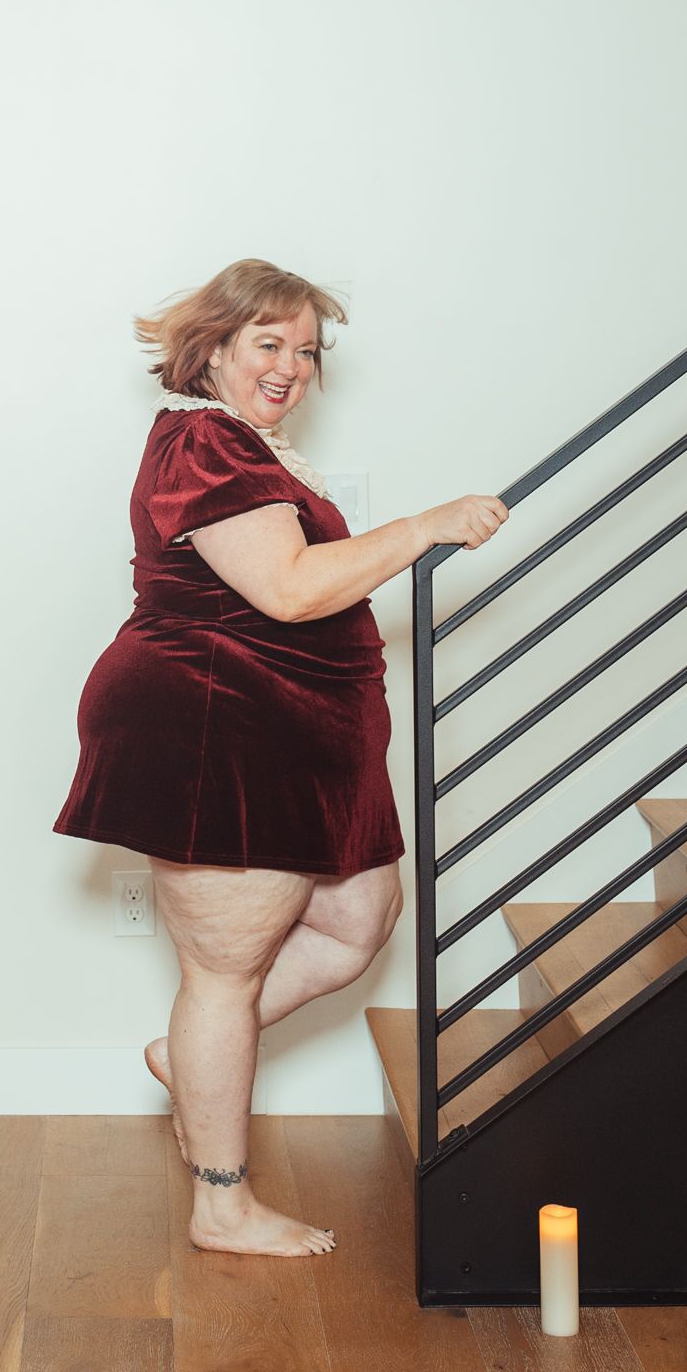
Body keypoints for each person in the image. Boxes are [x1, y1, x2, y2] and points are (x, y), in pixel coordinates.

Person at [52, 260, 509, 1257]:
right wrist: (426, 525)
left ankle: (191, 1057)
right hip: (220, 731)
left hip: (293, 732)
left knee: (358, 921)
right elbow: (291, 589)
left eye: (307, 350)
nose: (292, 365)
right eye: (270, 343)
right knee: (224, 970)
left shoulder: (247, 446)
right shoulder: (200, 443)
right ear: (212, 349)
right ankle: (222, 1201)